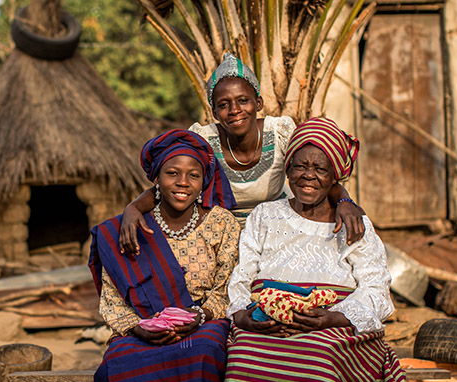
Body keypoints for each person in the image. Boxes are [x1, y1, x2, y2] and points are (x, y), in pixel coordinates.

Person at [217, 117, 415, 382]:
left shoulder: (353, 223)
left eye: (320, 168)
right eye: (299, 167)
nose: (308, 176)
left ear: (336, 175)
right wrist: (245, 316)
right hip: (267, 315)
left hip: (335, 322)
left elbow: (377, 288)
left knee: (318, 356)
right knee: (244, 355)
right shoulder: (265, 216)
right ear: (286, 171)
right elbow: (242, 275)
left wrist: (337, 317)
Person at [90, 130, 240, 382]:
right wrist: (135, 328)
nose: (183, 183)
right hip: (140, 326)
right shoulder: (130, 227)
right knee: (122, 365)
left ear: (205, 180)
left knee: (203, 356)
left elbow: (231, 286)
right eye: (173, 173)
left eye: (193, 175)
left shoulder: (221, 224)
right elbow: (111, 295)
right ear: (156, 178)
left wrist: (200, 316)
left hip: (204, 321)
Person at [118, 52, 366, 254]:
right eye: (224, 104)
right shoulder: (203, 141)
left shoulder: (280, 132)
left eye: (243, 101)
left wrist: (345, 201)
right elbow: (174, 182)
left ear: (258, 103)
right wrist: (133, 208)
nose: (235, 110)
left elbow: (313, 175)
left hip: (278, 233)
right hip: (220, 239)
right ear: (214, 112)